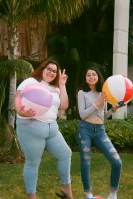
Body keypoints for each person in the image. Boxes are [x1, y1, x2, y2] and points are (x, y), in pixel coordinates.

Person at [14, 59, 73, 199]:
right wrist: (21, 112)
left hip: (52, 128)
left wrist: (62, 85)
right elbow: (17, 100)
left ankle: (66, 190)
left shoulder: (55, 88)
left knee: (65, 154)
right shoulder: (30, 82)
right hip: (31, 127)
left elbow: (64, 106)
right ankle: (32, 196)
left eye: (54, 71)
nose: (51, 72)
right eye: (49, 69)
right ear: (42, 68)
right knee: (33, 162)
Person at [76, 66, 123, 199]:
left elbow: (103, 116)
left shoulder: (104, 93)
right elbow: (82, 115)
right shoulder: (81, 93)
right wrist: (98, 103)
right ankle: (88, 194)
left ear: (98, 77)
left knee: (117, 162)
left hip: (100, 131)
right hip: (85, 130)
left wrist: (113, 109)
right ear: (85, 79)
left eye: (94, 74)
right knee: (86, 162)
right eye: (88, 75)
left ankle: (113, 193)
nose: (91, 77)